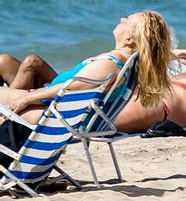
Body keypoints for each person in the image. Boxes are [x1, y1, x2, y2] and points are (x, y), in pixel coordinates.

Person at [0, 11, 174, 154]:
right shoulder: (127, 63)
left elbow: (70, 90)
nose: (122, 18)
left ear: (130, 40)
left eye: (126, 21)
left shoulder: (110, 65)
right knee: (5, 61)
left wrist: (27, 98)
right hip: (62, 111)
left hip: (58, 118)